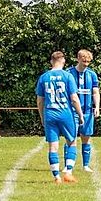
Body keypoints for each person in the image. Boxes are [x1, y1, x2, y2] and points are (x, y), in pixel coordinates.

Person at [35, 51, 85, 184]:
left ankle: (56, 177)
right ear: (63, 61)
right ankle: (68, 172)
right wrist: (80, 114)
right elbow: (74, 98)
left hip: (50, 114)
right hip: (65, 113)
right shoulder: (68, 76)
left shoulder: (44, 77)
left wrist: (42, 117)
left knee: (53, 146)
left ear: (51, 61)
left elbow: (40, 101)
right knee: (72, 142)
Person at [67, 49, 100, 172]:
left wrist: (97, 107)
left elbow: (95, 92)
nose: (86, 63)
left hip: (87, 111)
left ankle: (86, 165)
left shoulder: (92, 74)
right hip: (72, 111)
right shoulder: (69, 73)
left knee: (86, 137)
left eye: (88, 61)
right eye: (84, 61)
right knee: (71, 138)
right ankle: (68, 165)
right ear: (78, 59)